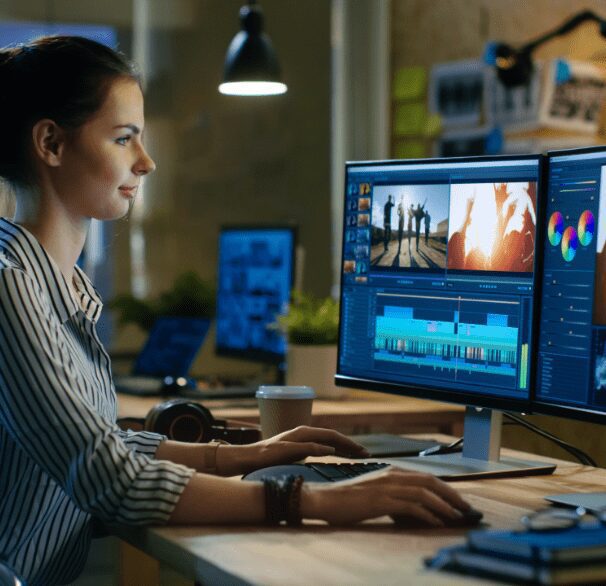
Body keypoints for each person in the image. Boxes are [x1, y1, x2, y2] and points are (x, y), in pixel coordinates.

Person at [0, 36, 470, 585]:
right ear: (51, 143)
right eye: (124, 139)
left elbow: (100, 439)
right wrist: (319, 502)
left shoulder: (56, 283)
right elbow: (111, 478)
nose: (146, 162)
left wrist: (243, 455)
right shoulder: (12, 289)